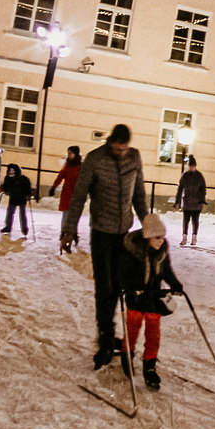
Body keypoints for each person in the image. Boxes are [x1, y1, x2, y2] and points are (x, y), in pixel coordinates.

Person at [61, 125, 149, 368]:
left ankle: (116, 334)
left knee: (122, 285)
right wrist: (69, 229)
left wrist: (149, 225)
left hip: (124, 232)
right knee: (105, 286)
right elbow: (79, 196)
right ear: (111, 142)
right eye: (118, 148)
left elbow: (139, 195)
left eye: (125, 148)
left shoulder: (135, 157)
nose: (122, 153)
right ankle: (105, 337)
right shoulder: (95, 159)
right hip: (101, 232)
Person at [116, 213, 182, 391]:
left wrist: (175, 285)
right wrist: (129, 287)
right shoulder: (132, 250)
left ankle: (149, 364)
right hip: (136, 296)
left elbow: (166, 270)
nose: (161, 241)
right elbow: (122, 273)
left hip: (153, 296)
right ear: (147, 236)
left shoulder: (162, 251)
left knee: (153, 331)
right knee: (133, 327)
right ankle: (127, 354)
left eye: (162, 237)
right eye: (157, 237)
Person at [174, 155, 206, 245]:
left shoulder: (199, 176)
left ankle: (194, 237)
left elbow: (203, 188)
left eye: (193, 166)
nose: (191, 168)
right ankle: (184, 237)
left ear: (195, 166)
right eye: (190, 166)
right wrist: (178, 200)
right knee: (186, 221)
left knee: (195, 221)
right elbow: (180, 188)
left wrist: (202, 199)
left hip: (196, 203)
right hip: (187, 202)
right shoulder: (185, 175)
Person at [0, 163, 32, 236]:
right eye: (10, 172)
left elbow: (28, 187)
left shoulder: (23, 179)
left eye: (13, 172)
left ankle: (24, 229)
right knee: (11, 212)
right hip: (14, 197)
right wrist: (5, 190)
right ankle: (8, 227)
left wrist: (28, 194)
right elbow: (6, 187)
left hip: (21, 197)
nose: (11, 174)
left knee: (21, 213)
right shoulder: (7, 178)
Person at [53, 146, 80, 218]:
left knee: (73, 215)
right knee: (66, 214)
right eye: (68, 153)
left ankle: (69, 229)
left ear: (75, 154)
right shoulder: (67, 166)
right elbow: (60, 177)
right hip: (67, 193)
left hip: (76, 193)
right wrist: (53, 187)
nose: (69, 155)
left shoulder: (80, 167)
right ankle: (64, 229)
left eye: (71, 153)